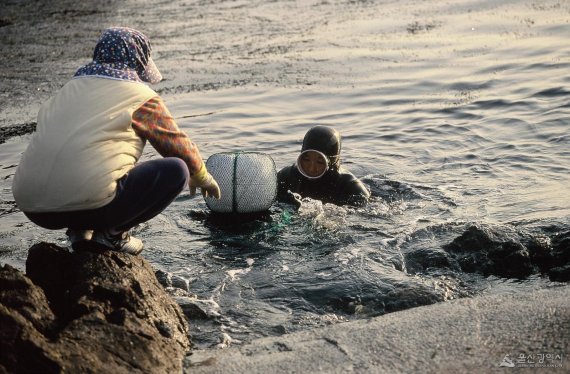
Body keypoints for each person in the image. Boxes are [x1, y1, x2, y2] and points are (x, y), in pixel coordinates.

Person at [12, 27, 220, 255]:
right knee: (177, 170)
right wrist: (202, 176)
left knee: (85, 166)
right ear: (139, 61)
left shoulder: (64, 92)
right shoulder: (141, 96)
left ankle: (79, 233)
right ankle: (112, 235)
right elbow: (176, 144)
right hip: (92, 204)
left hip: (33, 207)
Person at [277, 125, 370, 206]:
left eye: (320, 162)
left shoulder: (350, 187)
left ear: (331, 162)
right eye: (306, 160)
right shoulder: (287, 176)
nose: (311, 168)